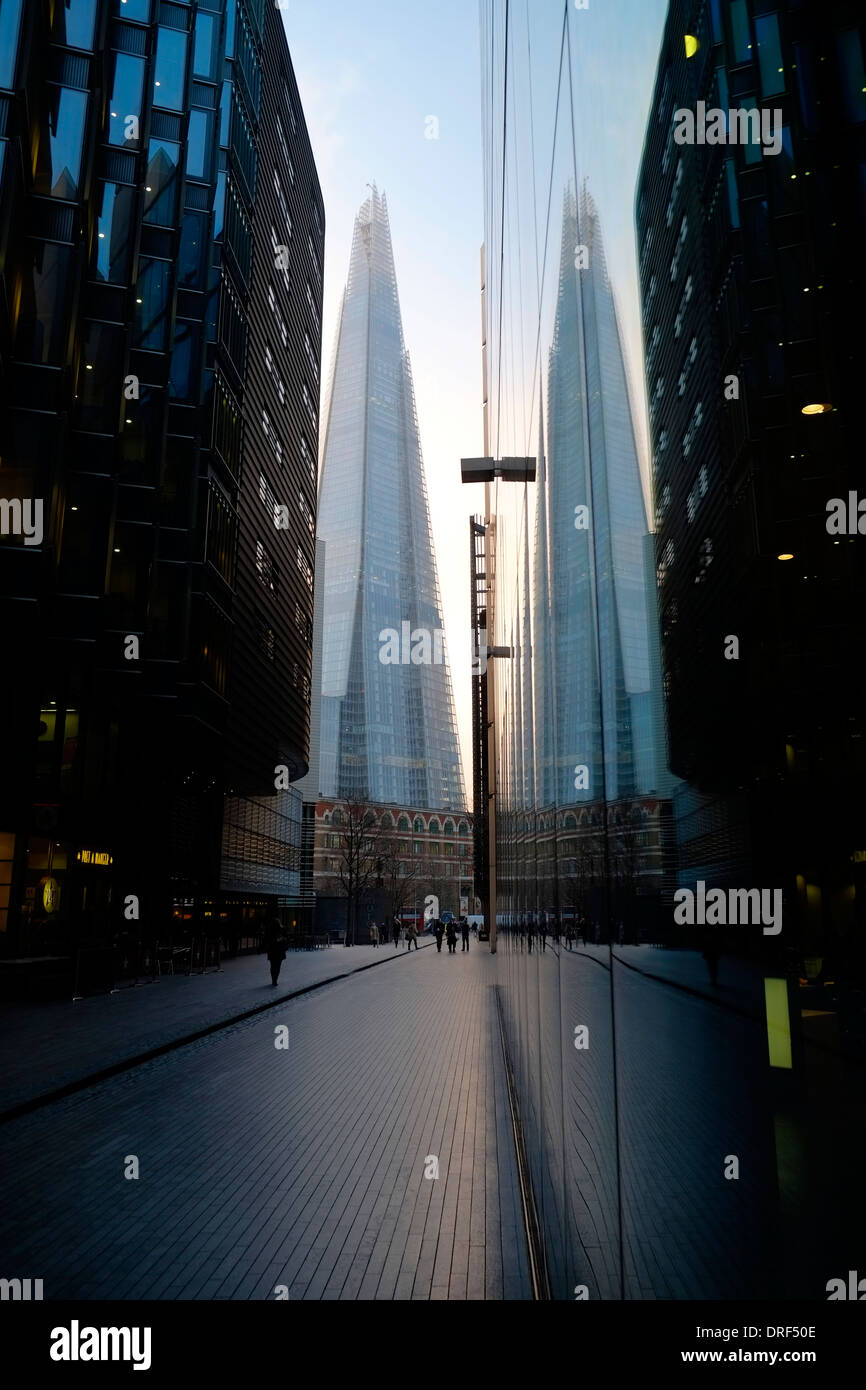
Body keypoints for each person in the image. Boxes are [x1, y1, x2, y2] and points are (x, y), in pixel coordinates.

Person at [264, 916, 288, 986]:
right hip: (279, 950)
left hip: (272, 950)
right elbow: (286, 938)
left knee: (273, 965)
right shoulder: (282, 929)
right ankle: (275, 979)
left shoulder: (269, 929)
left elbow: (266, 939)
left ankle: (273, 979)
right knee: (277, 966)